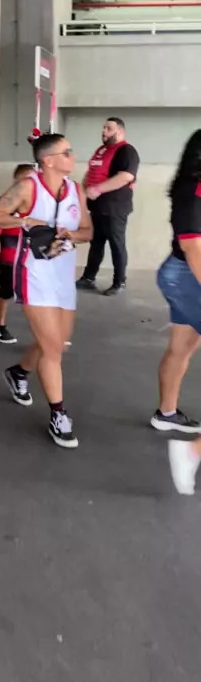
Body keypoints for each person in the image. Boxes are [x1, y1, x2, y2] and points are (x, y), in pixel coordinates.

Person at [0, 132, 92, 449]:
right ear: (48, 160)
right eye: (66, 152)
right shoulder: (28, 187)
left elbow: (88, 231)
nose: (72, 156)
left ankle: (19, 372)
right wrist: (26, 221)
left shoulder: (76, 190)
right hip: (33, 275)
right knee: (53, 348)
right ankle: (59, 415)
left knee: (56, 344)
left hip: (63, 277)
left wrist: (70, 234)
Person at [148, 131, 201, 493]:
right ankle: (191, 452)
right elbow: (193, 247)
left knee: (182, 347)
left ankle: (166, 414)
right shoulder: (192, 192)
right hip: (188, 275)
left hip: (184, 274)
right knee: (182, 348)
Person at [76, 117, 140, 296]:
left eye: (109, 128)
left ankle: (119, 282)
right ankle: (88, 278)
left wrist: (97, 189)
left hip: (115, 207)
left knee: (116, 245)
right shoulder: (102, 150)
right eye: (103, 127)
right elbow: (91, 172)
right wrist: (84, 190)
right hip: (97, 207)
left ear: (120, 131)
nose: (104, 131)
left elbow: (126, 176)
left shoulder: (127, 151)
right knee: (96, 243)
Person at [0, 163, 34, 344]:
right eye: (23, 180)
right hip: (10, 259)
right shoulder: (4, 203)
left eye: (31, 180)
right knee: (5, 293)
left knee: (35, 297)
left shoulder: (38, 204)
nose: (26, 185)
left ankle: (44, 333)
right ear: (15, 181)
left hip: (32, 259)